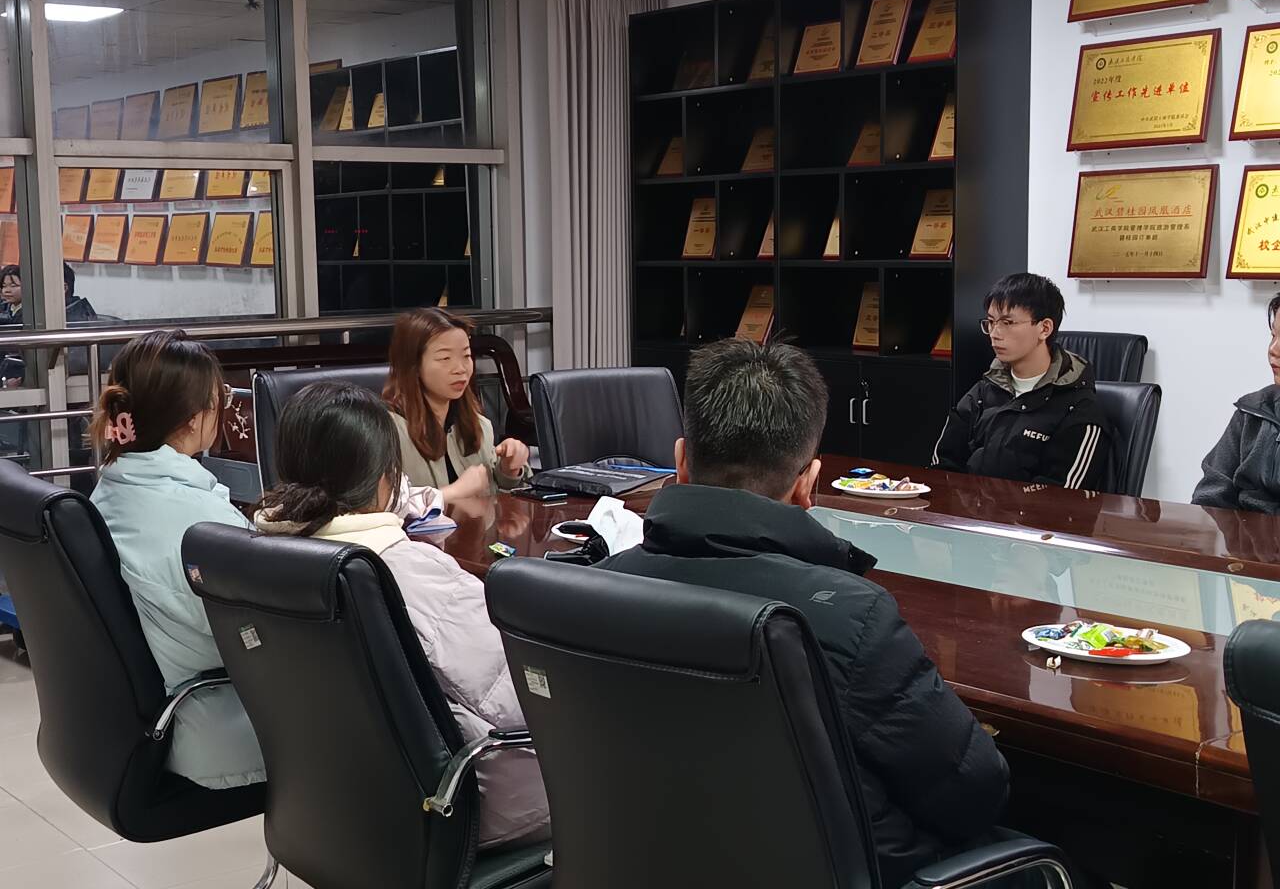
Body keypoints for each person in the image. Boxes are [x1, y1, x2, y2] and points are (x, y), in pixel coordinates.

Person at [597, 339, 1012, 888]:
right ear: (808, 484)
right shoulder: (849, 618)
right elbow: (974, 793)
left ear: (680, 462)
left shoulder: (599, 587)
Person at [254, 381, 550, 848]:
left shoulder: (264, 559)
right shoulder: (408, 575)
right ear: (385, 482)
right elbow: (520, 699)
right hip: (462, 809)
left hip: (332, 806)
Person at [89, 329, 265, 790]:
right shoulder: (199, 521)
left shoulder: (112, 487)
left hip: (167, 713)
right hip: (220, 728)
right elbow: (260, 635)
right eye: (221, 398)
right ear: (192, 418)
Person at [932, 273, 1110, 490]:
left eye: (1007, 322)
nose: (994, 333)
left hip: (1033, 512)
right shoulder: (982, 392)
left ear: (1044, 328)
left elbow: (1063, 496)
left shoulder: (1079, 409)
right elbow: (942, 466)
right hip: (968, 510)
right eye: (991, 322)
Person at [383, 307, 531, 500]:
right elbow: (376, 507)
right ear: (413, 365)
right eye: (445, 358)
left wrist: (508, 470)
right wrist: (452, 493)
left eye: (466, 356)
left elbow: (499, 499)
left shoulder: (479, 425)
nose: (461, 369)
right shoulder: (386, 431)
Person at [1193, 292, 1280, 513]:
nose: (1273, 349)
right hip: (1243, 532)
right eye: (1273, 336)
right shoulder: (1254, 410)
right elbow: (1211, 493)